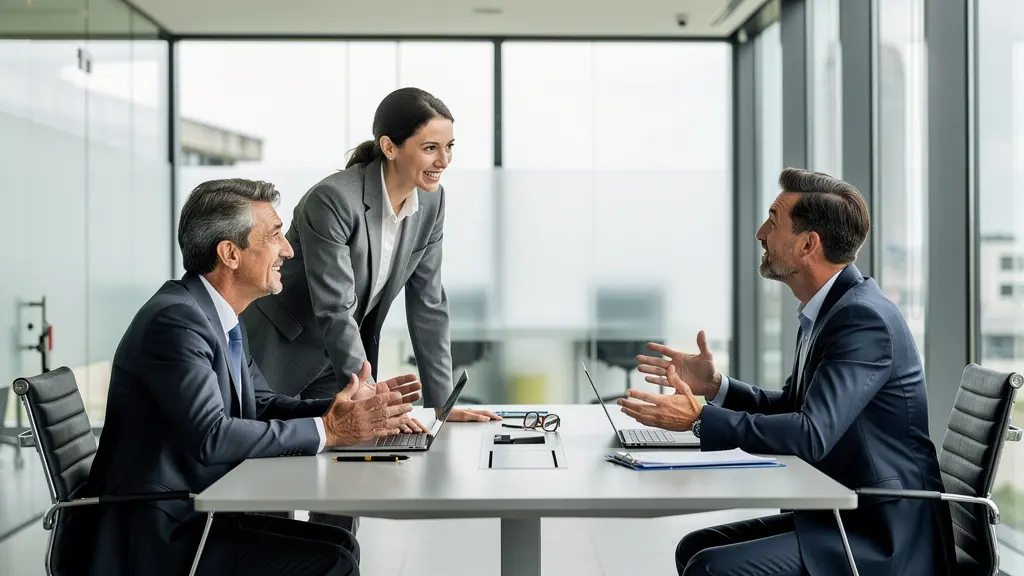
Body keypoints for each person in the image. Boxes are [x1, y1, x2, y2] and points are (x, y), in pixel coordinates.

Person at [79, 179, 422, 576]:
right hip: (163, 532)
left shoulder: (216, 316)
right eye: (275, 235)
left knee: (340, 542)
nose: (289, 250)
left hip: (197, 512)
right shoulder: (176, 321)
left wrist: (344, 411)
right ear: (230, 253)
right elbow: (212, 436)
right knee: (333, 561)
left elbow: (260, 404)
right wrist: (329, 431)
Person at [621, 168, 955, 576]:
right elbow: (795, 408)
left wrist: (699, 421)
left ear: (808, 245)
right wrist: (714, 387)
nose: (761, 233)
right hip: (844, 515)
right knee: (695, 547)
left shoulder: (861, 318)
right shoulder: (833, 309)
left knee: (710, 567)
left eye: (773, 221)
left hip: (882, 536)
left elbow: (811, 434)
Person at [240, 87, 499, 528]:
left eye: (449, 147)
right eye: (430, 148)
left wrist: (440, 402)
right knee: (275, 493)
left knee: (344, 489)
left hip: (342, 356)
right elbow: (334, 308)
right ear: (389, 147)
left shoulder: (431, 202)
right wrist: (373, 397)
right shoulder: (334, 199)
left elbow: (429, 301)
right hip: (283, 351)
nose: (444, 160)